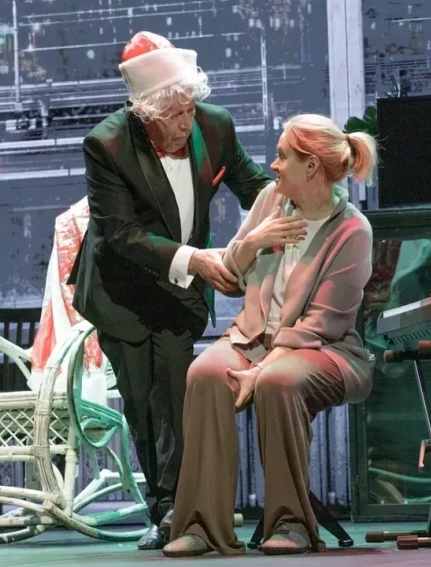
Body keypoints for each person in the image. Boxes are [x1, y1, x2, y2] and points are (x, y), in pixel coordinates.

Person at [68, 31, 271, 550]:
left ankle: (184, 510)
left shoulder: (215, 126)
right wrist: (196, 260)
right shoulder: (107, 144)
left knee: (176, 400)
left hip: (179, 293)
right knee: (142, 406)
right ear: (146, 113)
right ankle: (163, 513)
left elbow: (255, 189)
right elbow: (122, 233)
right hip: (122, 291)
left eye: (189, 109)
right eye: (174, 115)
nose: (186, 123)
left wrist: (298, 207)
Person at [162, 114, 377, 557]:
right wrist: (253, 241)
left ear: (311, 166)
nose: (273, 166)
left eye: (282, 156)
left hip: (325, 349)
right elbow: (231, 275)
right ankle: (201, 526)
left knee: (278, 382)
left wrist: (260, 371)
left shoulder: (352, 231)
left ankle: (291, 521)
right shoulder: (269, 200)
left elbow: (322, 325)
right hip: (253, 339)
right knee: (205, 373)